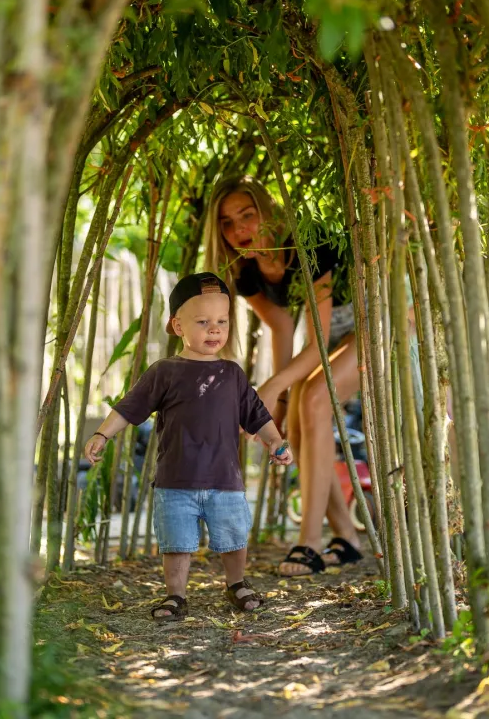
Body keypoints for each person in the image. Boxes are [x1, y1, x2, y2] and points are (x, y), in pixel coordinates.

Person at [84, 272, 293, 622]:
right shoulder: (164, 371)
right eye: (203, 321)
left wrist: (275, 440)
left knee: (233, 537)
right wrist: (102, 434)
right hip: (175, 480)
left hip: (224, 478)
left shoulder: (231, 373)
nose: (214, 329)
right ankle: (175, 595)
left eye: (222, 322)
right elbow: (129, 407)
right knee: (176, 543)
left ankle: (236, 583)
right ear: (177, 326)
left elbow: (256, 414)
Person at [204, 175, 365, 577]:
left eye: (248, 215)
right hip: (330, 343)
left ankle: (309, 542)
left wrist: (273, 388)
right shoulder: (246, 270)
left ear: (268, 211)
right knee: (296, 416)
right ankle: (346, 537)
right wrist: (277, 403)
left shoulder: (310, 244)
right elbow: (280, 329)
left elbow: (319, 339)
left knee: (312, 400)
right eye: (228, 222)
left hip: (374, 327)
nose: (240, 229)